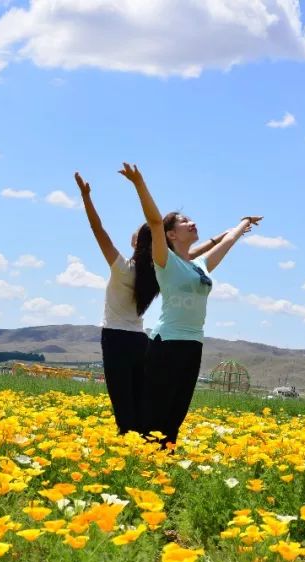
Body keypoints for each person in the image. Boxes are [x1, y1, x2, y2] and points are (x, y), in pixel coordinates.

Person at [119, 162, 261, 447]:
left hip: (193, 344)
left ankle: (165, 462)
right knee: (156, 407)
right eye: (184, 222)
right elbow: (156, 222)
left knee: (177, 410)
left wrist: (244, 224)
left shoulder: (200, 265)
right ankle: (144, 458)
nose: (191, 223)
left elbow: (229, 242)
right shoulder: (165, 261)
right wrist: (139, 184)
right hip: (167, 343)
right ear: (172, 235)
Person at [74, 171, 218, 435]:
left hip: (116, 338)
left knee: (122, 401)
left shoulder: (122, 268)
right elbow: (194, 253)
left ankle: (129, 446)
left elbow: (98, 230)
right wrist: (226, 235)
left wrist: (86, 198)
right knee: (140, 401)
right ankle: (143, 444)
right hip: (142, 341)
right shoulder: (157, 271)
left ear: (140, 242)